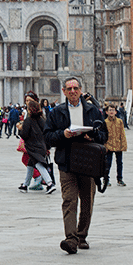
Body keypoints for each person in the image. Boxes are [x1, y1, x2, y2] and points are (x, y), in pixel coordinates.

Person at [44, 77, 107, 254]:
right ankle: (70, 239)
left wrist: (92, 136)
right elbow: (47, 136)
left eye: (75, 88)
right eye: (69, 88)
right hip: (67, 161)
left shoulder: (92, 110)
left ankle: (82, 236)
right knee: (69, 200)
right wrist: (63, 134)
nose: (72, 91)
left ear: (80, 90)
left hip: (88, 162)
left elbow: (104, 135)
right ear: (64, 91)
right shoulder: (57, 112)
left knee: (87, 200)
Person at [18, 98, 56, 193]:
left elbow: (24, 135)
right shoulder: (42, 119)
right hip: (41, 146)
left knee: (39, 164)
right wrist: (47, 147)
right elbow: (46, 133)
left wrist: (19, 129)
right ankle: (25, 185)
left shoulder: (28, 120)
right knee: (30, 165)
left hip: (33, 147)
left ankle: (50, 183)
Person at [103, 103, 127, 186]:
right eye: (110, 110)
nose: (111, 112)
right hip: (109, 145)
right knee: (108, 163)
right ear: (107, 112)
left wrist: (124, 145)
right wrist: (104, 145)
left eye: (113, 110)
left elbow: (122, 134)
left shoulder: (119, 121)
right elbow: (103, 135)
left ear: (116, 112)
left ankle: (120, 179)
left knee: (119, 163)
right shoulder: (105, 122)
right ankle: (106, 179)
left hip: (118, 145)